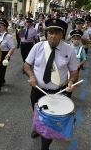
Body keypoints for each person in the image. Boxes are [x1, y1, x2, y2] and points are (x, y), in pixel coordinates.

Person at [24, 18, 78, 150]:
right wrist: (31, 76)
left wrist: (71, 82)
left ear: (61, 34)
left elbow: (74, 71)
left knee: (50, 122)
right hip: (38, 90)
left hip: (57, 93)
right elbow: (26, 65)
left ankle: (45, 145)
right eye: (50, 32)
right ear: (46, 33)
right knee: (38, 114)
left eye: (56, 33)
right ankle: (39, 129)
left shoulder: (69, 51)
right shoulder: (38, 47)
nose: (53, 35)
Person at [0, 18, 15, 97]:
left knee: (0, 71)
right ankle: (2, 80)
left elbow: (12, 47)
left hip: (4, 55)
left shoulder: (8, 36)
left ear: (5, 27)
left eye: (1, 25)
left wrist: (8, 55)